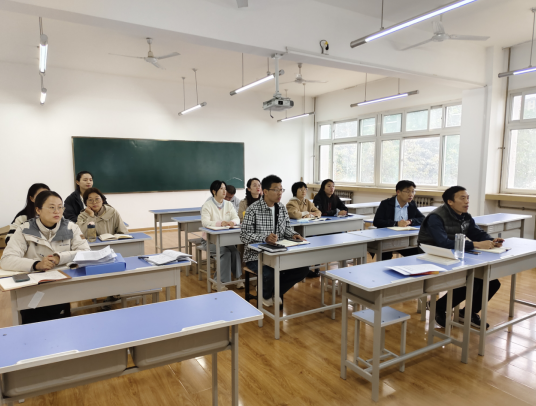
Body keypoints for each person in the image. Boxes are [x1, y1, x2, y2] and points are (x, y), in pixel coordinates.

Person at [417, 186, 503, 329]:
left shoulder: (465, 216)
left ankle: (468, 313)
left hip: (454, 255)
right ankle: (439, 307)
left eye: (467, 198)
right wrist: (475, 244)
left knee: (492, 282)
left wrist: (491, 240)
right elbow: (443, 243)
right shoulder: (435, 217)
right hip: (432, 255)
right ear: (450, 201)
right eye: (462, 198)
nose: (467, 201)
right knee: (472, 281)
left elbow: (477, 233)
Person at [0, 191, 90, 324]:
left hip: (62, 285)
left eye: (60, 207)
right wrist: (36, 264)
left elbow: (86, 252)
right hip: (32, 287)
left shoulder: (71, 227)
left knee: (59, 322)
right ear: (38, 210)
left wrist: (59, 257)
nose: (57, 211)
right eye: (52, 207)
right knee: (33, 320)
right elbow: (6, 260)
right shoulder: (24, 229)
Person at [240, 175, 310, 307]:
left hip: (279, 252)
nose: (280, 193)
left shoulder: (281, 208)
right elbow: (244, 235)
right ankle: (266, 294)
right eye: (276, 190)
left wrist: (295, 235)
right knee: (270, 271)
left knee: (303, 268)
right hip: (256, 255)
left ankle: (273, 291)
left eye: (281, 190)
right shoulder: (253, 209)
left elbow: (287, 228)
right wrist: (264, 238)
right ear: (265, 191)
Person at [201, 180, 243, 291]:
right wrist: (220, 223)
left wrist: (233, 222)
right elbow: (205, 222)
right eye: (221, 189)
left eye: (225, 188)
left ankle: (238, 279)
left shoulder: (228, 204)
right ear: (214, 191)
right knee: (225, 253)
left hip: (225, 239)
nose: (224, 191)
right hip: (209, 240)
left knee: (235, 252)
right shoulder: (207, 205)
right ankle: (218, 282)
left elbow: (236, 218)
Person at [372, 180, 425, 260]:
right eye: (407, 191)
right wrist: (396, 223)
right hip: (387, 238)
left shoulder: (412, 204)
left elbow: (422, 218)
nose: (411, 194)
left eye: (413, 191)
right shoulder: (386, 204)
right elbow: (377, 221)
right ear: (398, 192)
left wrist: (410, 221)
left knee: (419, 253)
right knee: (385, 257)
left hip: (404, 237)